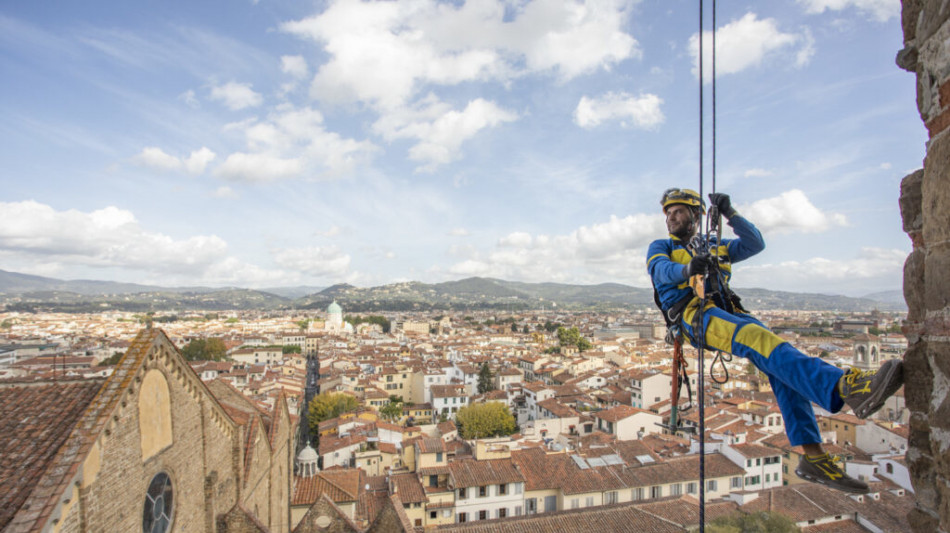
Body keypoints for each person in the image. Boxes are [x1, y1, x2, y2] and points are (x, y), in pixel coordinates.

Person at [646, 188, 904, 494]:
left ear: (695, 215)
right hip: (695, 316)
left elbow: (755, 243)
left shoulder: (715, 246)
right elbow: (660, 270)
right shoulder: (661, 245)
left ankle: (813, 456)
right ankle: (845, 386)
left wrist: (731, 214)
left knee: (782, 363)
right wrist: (687, 269)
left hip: (730, 312)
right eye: (668, 213)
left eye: (678, 211)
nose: (672, 218)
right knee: (759, 340)